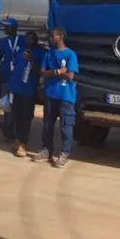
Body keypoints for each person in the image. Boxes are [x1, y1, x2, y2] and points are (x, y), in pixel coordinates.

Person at [32, 27, 78, 168]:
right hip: (51, 94)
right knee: (47, 125)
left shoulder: (70, 54)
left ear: (60, 36)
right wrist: (58, 71)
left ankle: (64, 153)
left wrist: (54, 73)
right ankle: (46, 150)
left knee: (65, 126)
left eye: (53, 36)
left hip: (66, 96)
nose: (50, 38)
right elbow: (42, 72)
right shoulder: (49, 54)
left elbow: (71, 75)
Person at [9, 31, 46, 158]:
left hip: (29, 91)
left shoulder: (41, 53)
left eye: (31, 39)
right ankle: (18, 139)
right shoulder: (20, 51)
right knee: (16, 115)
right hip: (16, 89)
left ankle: (23, 143)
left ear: (36, 40)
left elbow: (40, 71)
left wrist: (31, 60)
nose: (28, 41)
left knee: (25, 117)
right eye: (26, 39)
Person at [0, 18, 24, 140]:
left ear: (14, 28)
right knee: (6, 104)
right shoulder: (3, 42)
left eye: (7, 26)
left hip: (18, 78)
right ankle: (8, 128)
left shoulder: (22, 41)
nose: (4, 29)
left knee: (18, 104)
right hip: (6, 77)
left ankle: (12, 127)